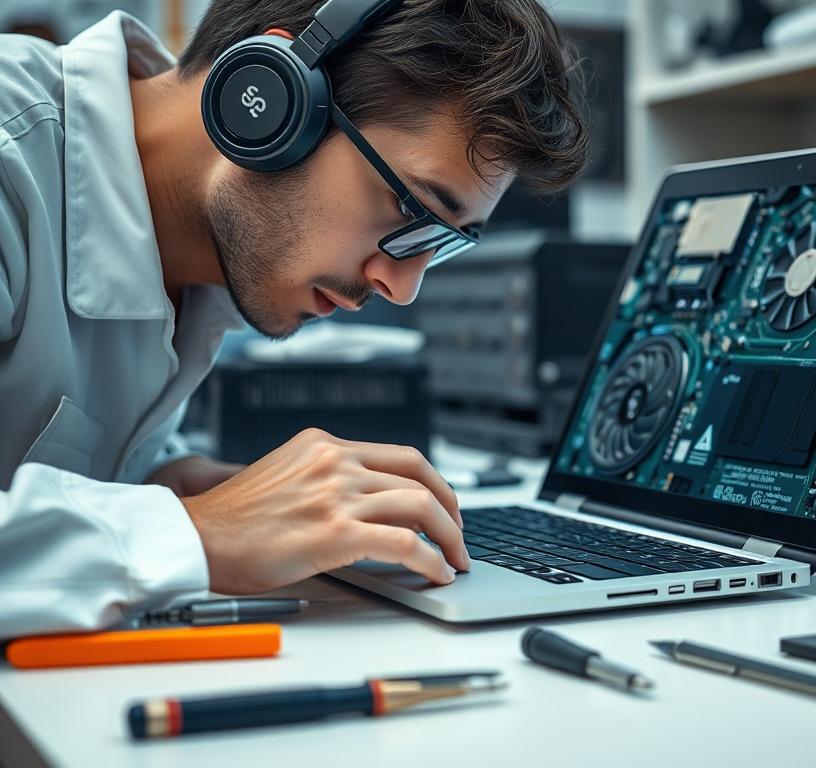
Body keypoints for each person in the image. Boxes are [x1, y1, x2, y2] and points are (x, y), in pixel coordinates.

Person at [0, 0, 589, 637]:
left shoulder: (199, 266)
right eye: (412, 212)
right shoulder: (11, 154)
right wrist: (199, 532)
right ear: (267, 96)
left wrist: (172, 485)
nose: (403, 289)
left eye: (443, 243)